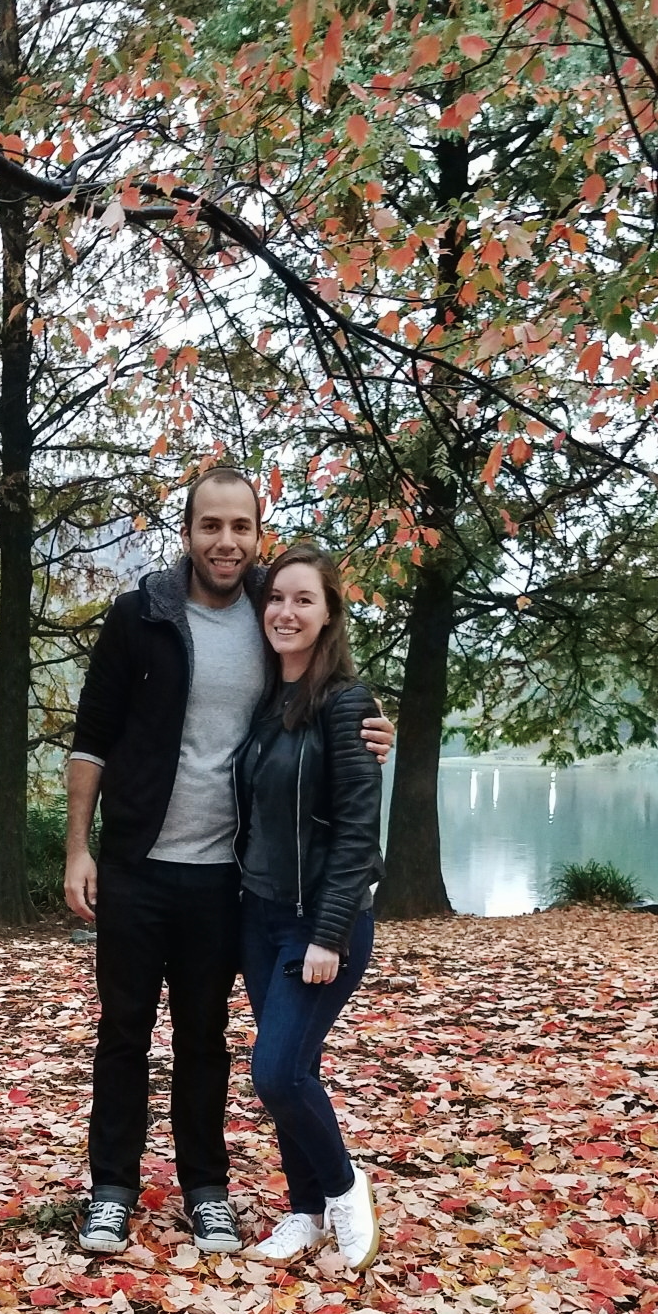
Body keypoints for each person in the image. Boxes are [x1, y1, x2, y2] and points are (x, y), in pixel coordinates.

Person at [64, 468, 391, 1255]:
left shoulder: (269, 613)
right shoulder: (140, 615)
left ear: (257, 534)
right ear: (188, 532)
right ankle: (111, 1189)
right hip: (136, 865)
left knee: (205, 1037)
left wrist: (379, 734)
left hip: (223, 879)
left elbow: (329, 708)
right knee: (124, 1030)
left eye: (240, 527)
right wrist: (77, 846)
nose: (226, 542)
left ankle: (206, 1188)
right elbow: (90, 738)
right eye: (210, 526)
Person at [235, 543, 383, 1270]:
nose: (286, 612)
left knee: (278, 1073)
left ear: (328, 617)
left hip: (321, 923)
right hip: (258, 918)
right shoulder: (267, 703)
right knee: (293, 1066)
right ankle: (304, 1212)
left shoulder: (348, 703)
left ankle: (346, 1191)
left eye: (304, 600)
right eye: (277, 599)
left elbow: (358, 830)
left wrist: (327, 934)